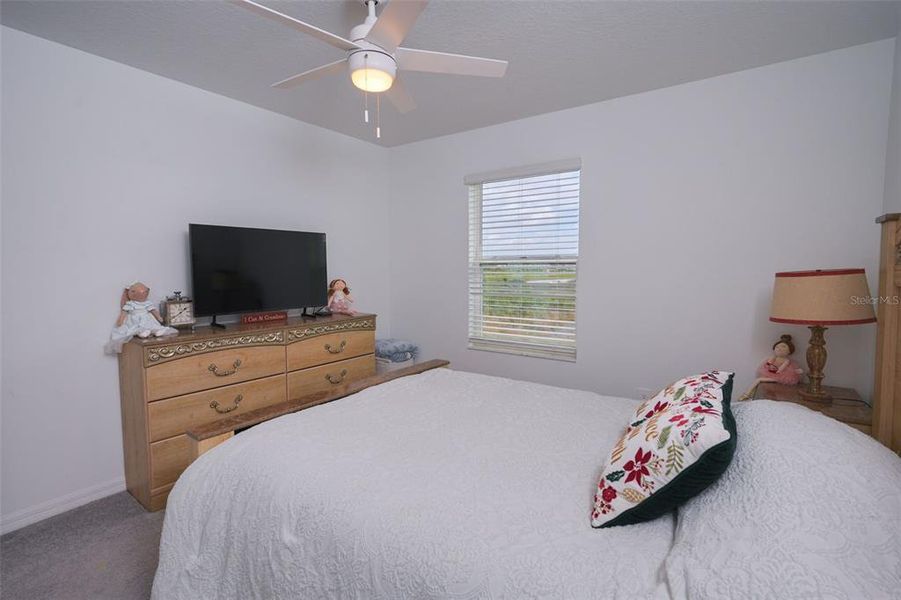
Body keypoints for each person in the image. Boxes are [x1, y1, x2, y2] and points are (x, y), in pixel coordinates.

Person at [739, 334, 803, 400]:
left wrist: (775, 370)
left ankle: (747, 395)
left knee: (759, 380)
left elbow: (780, 370)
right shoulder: (773, 357)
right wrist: (770, 367)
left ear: (789, 351)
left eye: (783, 347)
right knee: (759, 380)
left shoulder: (786, 360)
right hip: (771, 372)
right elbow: (767, 365)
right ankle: (748, 395)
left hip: (781, 375)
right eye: (777, 347)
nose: (779, 349)